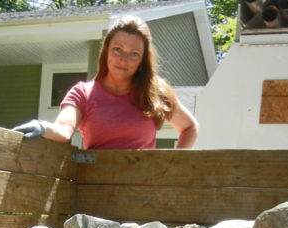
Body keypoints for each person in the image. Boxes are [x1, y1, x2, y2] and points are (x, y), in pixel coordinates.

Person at [13, 15, 198, 150]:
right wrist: (42, 127)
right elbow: (63, 130)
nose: (123, 59)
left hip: (144, 193)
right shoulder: (83, 93)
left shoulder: (156, 91)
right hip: (96, 190)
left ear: (142, 60)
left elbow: (189, 127)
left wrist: (174, 164)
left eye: (134, 54)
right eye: (117, 49)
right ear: (106, 51)